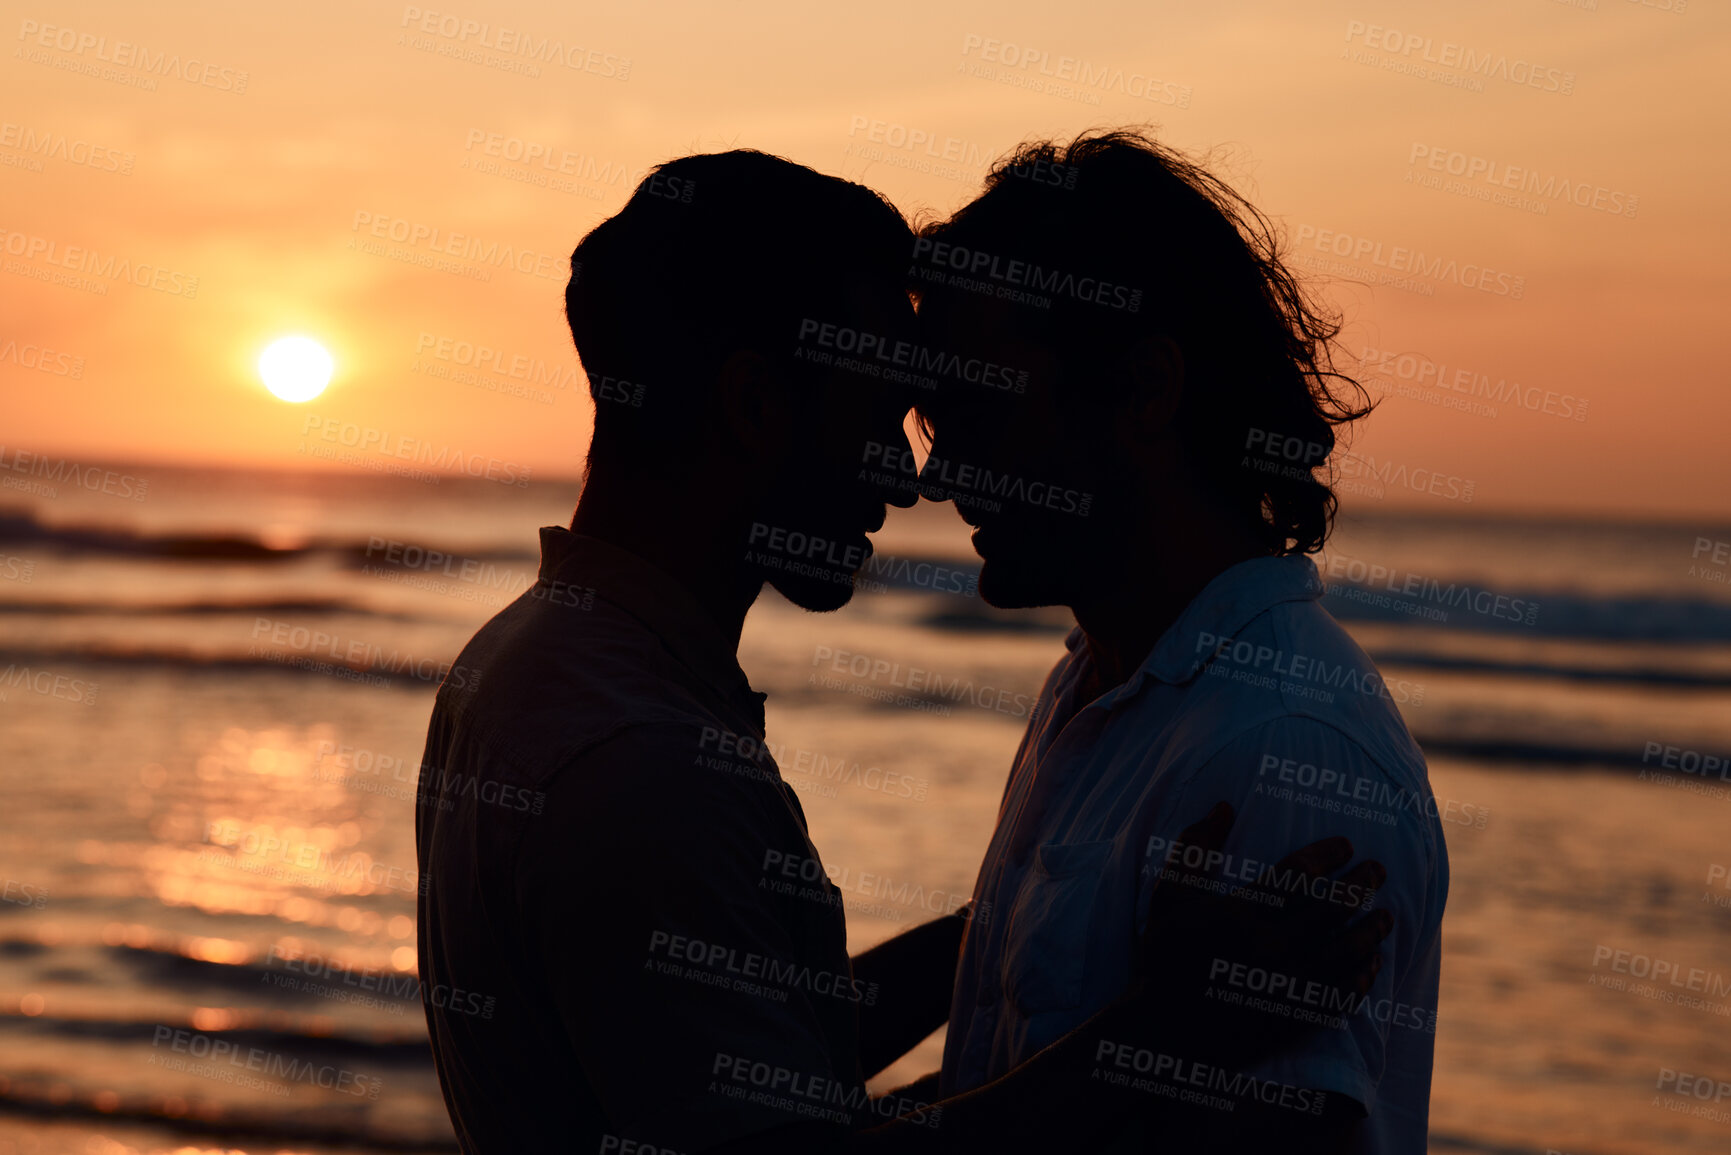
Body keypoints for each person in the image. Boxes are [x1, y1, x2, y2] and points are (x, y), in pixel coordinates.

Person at [414, 148, 1391, 1154]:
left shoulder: (530, 664)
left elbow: (727, 1033)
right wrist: (1165, 1033)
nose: (912, 478)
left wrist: (1041, 927)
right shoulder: (639, 761)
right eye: (884, 415)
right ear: (755, 407)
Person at [907, 129, 1451, 1153]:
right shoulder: (1100, 688)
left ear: (1144, 390)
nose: (939, 477)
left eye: (977, 407)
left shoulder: (1280, 744)